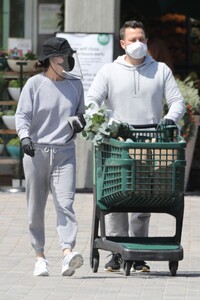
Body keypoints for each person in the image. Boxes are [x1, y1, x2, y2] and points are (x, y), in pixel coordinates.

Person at [86, 20, 185, 272]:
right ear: (122, 44)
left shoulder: (160, 70)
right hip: (119, 144)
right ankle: (117, 251)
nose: (138, 44)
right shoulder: (109, 71)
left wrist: (169, 119)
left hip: (151, 144)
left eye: (142, 39)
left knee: (145, 198)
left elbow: (177, 102)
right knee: (117, 196)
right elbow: (92, 101)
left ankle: (139, 253)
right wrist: (108, 121)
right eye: (132, 40)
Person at [15, 37, 86, 277]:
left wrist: (81, 123)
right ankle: (40, 256)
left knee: (65, 204)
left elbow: (80, 113)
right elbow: (22, 115)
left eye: (68, 56)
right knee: (36, 207)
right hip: (36, 152)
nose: (67, 60)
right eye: (63, 56)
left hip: (65, 152)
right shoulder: (34, 84)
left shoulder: (75, 85)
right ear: (51, 60)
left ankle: (67, 254)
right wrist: (25, 137)